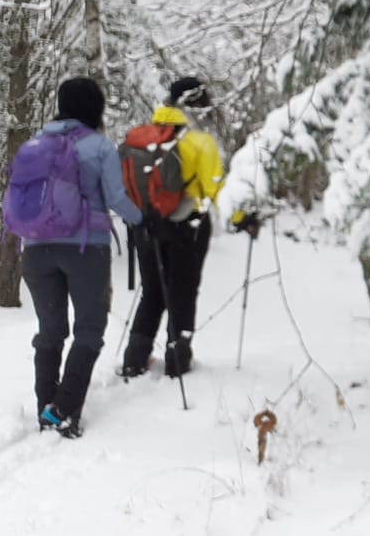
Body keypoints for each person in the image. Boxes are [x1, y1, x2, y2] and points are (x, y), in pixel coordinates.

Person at [19, 77, 144, 438]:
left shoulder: (34, 144)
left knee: (49, 331)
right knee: (89, 328)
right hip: (84, 248)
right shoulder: (99, 146)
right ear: (95, 107)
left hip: (36, 250)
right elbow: (117, 199)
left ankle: (47, 409)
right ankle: (65, 407)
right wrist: (142, 220)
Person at [120, 76, 225, 379]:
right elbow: (215, 188)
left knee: (152, 291)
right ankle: (178, 360)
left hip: (145, 226)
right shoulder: (199, 141)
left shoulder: (145, 136)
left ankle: (134, 359)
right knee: (184, 291)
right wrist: (242, 216)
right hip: (186, 226)